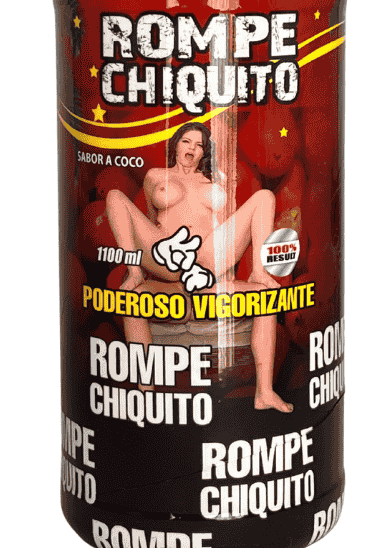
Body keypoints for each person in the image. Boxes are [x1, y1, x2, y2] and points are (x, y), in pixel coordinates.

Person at [106, 122, 292, 412]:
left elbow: (226, 224)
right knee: (115, 197)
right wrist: (147, 265)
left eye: (199, 144)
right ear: (175, 145)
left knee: (265, 198)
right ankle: (146, 394)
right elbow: (151, 219)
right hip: (167, 256)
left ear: (205, 152)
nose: (192, 148)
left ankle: (264, 392)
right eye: (186, 141)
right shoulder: (155, 176)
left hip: (208, 258)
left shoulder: (214, 181)